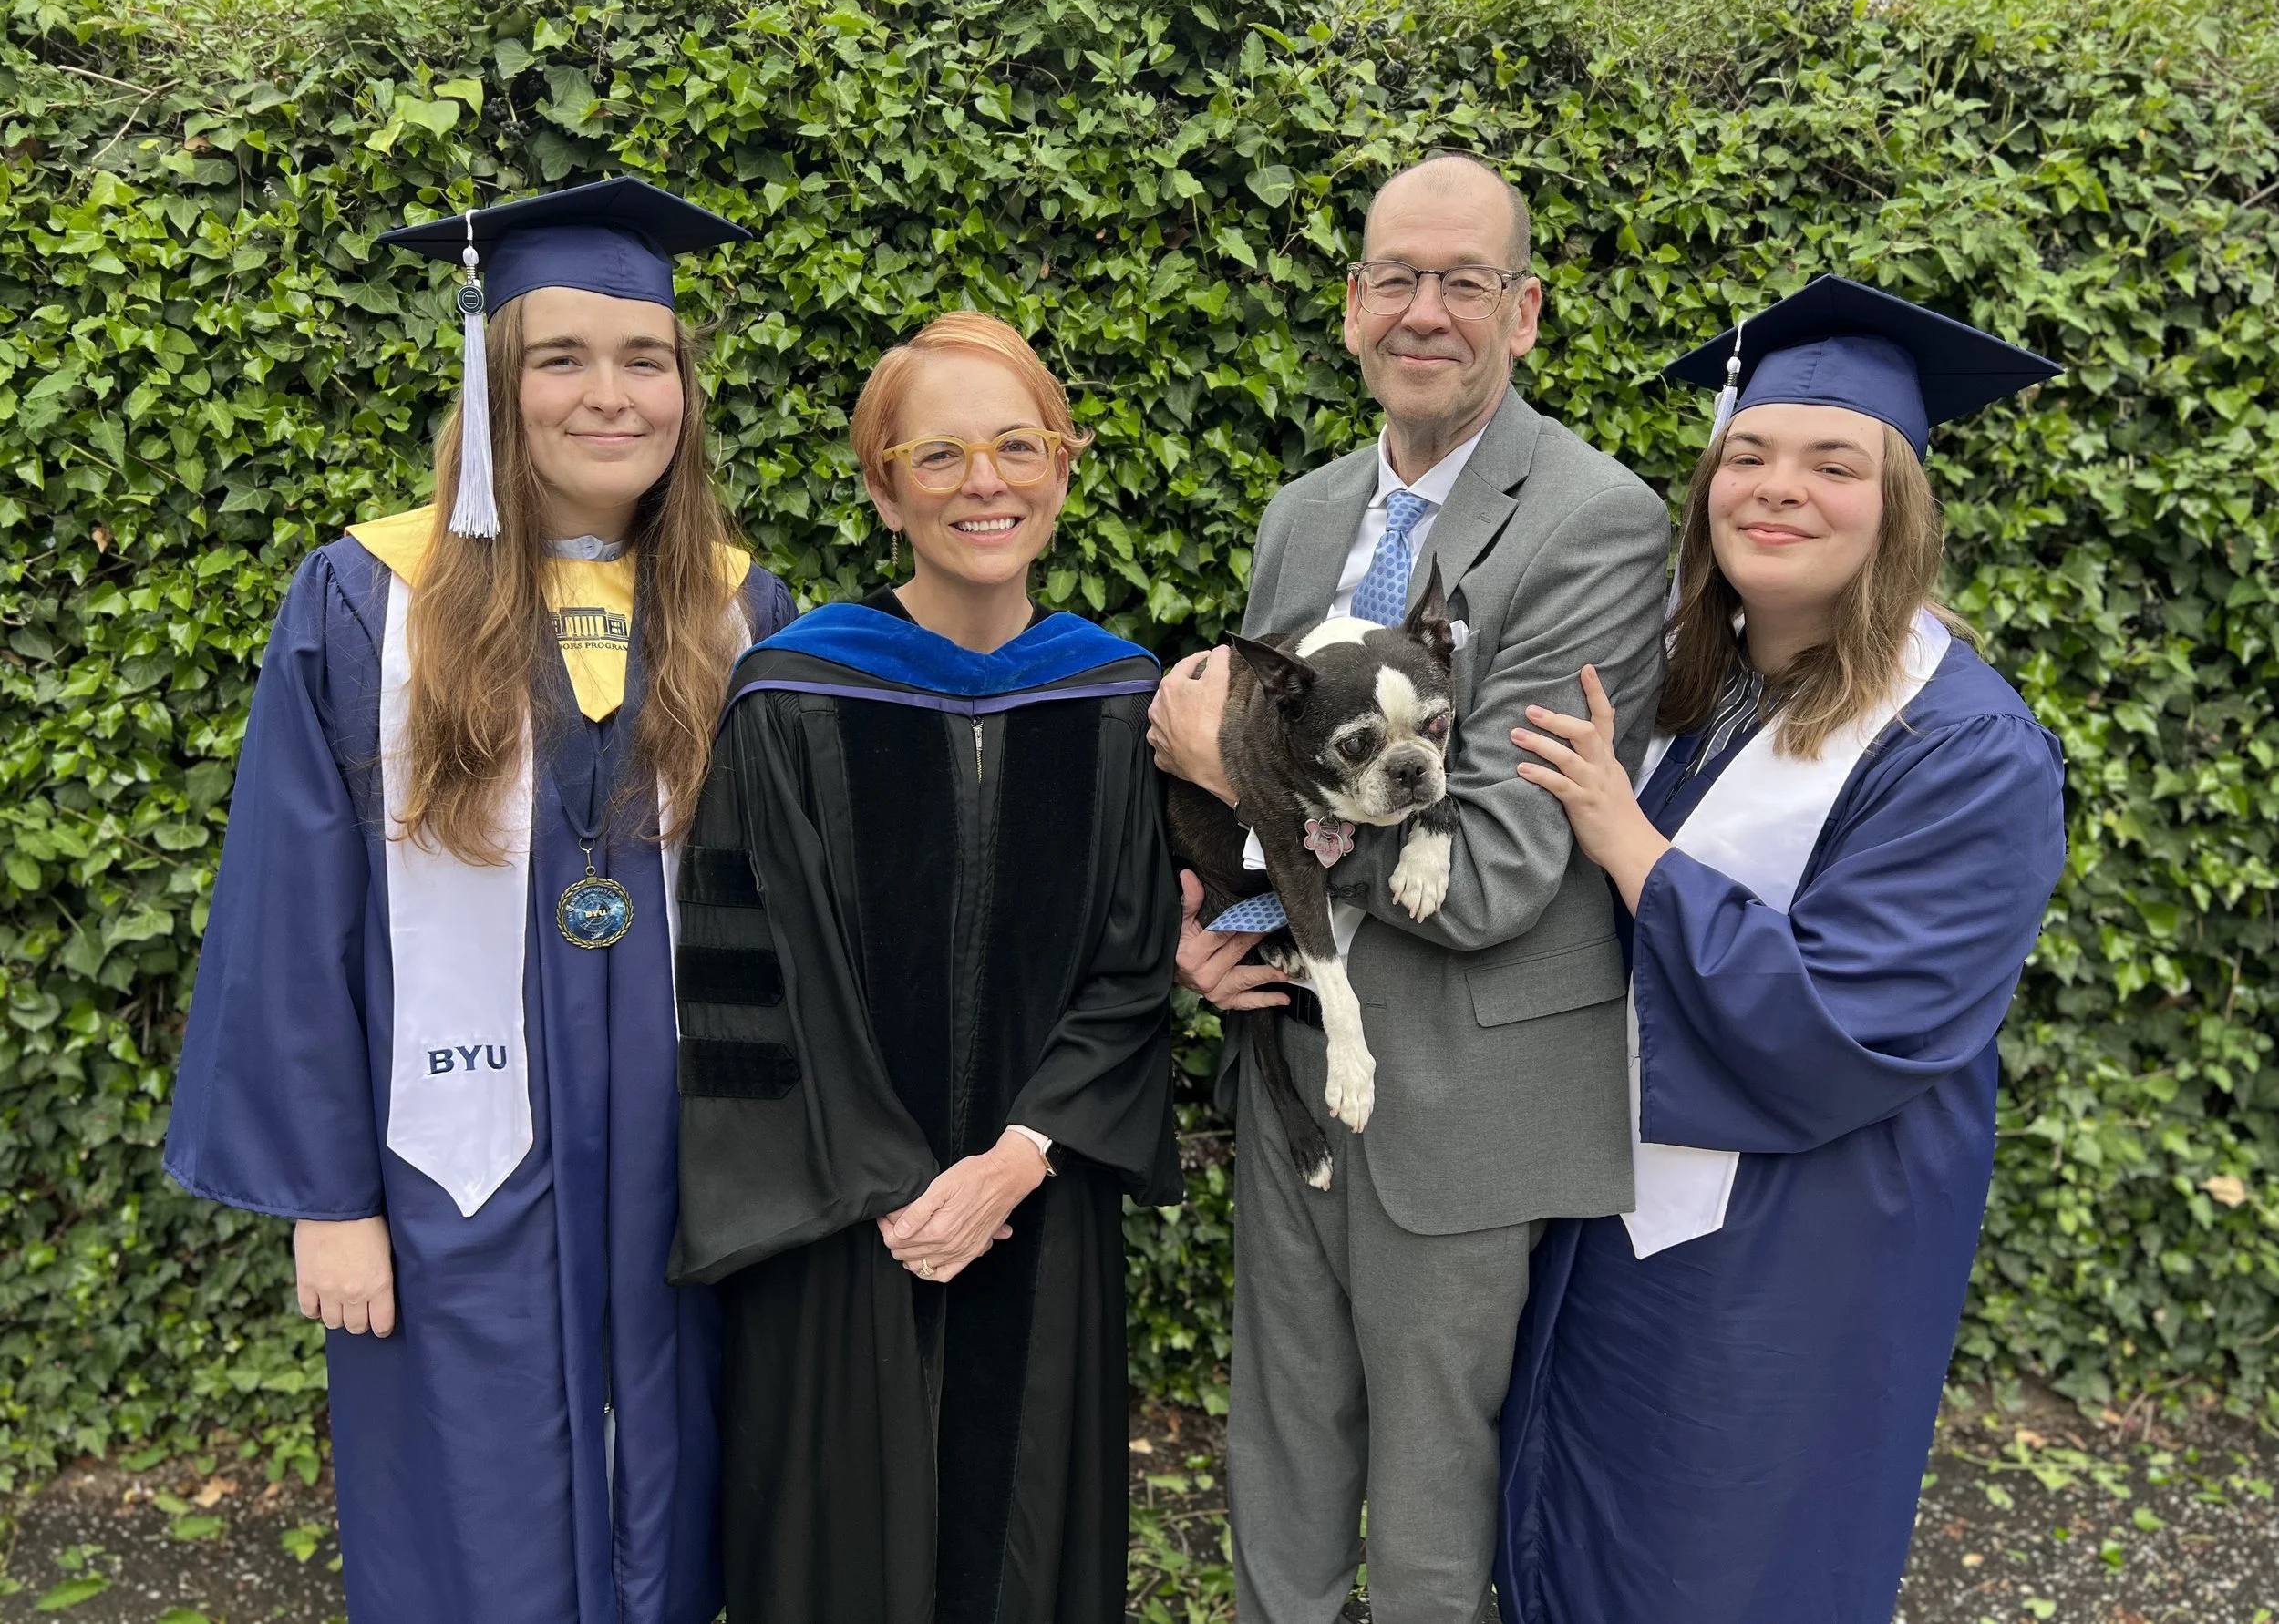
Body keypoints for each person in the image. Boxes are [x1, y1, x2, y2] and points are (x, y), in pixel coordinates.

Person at [163, 177, 795, 1624]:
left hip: (681, 1176)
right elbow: (287, 913)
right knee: (474, 1514)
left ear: (686, 389)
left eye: (647, 361)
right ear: (492, 381)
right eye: (559, 358)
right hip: (452, 1175)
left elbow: (790, 922)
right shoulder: (363, 601)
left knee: (679, 1501)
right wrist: (327, 1199)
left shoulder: (741, 610)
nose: (610, 396)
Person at [1491, 274, 2068, 1623]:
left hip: (1793, 1255)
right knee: (1569, 1530)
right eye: (1745, 453)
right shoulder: (1689, 677)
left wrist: (1634, 848)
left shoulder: (1968, 749)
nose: (1778, 487)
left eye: (1833, 462)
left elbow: (1859, 1022)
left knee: (1724, 1556)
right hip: (1611, 1222)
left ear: (1900, 503)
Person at [1148, 151, 1672, 1621]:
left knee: (1439, 1498)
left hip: (1471, 1088)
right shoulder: (1302, 514)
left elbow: (1498, 864)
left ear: (1527, 312)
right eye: (1395, 278)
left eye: (1464, 282)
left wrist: (1239, 776)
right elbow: (1228, 794)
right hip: (1298, 1058)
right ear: (1353, 306)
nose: (1423, 311)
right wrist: (1224, 920)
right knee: (1281, 1455)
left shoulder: (1597, 523)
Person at [666, 310, 1183, 1624]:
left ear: (1064, 468)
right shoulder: (788, 693)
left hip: (1040, 1208)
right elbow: (754, 974)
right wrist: (904, 1188)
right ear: (883, 485)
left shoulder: (1120, 700)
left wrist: (1018, 1155)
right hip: (843, 1223)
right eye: (938, 454)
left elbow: (1135, 965)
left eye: (1018, 446)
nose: (985, 482)